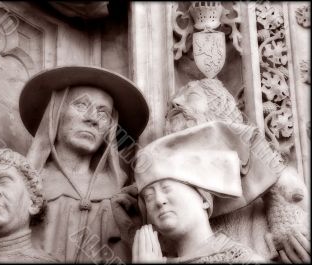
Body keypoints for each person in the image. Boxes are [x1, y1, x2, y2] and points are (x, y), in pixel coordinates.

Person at [165, 78, 310, 263]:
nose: (176, 103)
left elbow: (290, 198)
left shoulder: (262, 165)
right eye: (171, 106)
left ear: (219, 106)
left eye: (191, 96)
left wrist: (289, 224)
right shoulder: (170, 187)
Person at [19, 65, 149, 262]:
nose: (92, 119)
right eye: (81, 105)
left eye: (103, 114)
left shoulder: (122, 194)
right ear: (56, 114)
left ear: (110, 129)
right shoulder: (26, 183)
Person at [132, 121, 267, 263]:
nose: (159, 201)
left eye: (167, 189)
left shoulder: (240, 259)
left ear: (203, 199)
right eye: (148, 197)